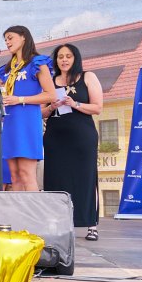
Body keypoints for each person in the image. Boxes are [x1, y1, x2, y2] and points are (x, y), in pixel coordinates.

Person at [42, 44, 103, 241]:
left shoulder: (87, 77)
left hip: (82, 137)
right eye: (60, 57)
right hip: (55, 137)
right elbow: (40, 112)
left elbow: (97, 107)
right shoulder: (50, 81)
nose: (64, 60)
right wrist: (51, 107)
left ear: (75, 58)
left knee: (85, 178)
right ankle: (57, 224)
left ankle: (91, 224)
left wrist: (74, 103)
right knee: (56, 179)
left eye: (68, 56)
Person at [0, 26, 55, 191]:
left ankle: (33, 208)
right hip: (10, 121)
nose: (7, 42)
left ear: (23, 37)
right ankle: (18, 208)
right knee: (14, 176)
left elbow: (51, 95)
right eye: (5, 40)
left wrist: (20, 99)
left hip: (27, 120)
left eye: (10, 38)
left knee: (27, 174)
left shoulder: (37, 63)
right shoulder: (6, 69)